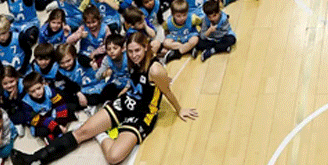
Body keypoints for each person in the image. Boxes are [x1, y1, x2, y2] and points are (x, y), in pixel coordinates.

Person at [11, 32, 196, 165]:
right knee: (82, 132)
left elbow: (167, 91)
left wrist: (180, 110)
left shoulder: (155, 69)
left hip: (143, 113)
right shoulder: (131, 61)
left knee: (114, 157)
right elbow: (133, 83)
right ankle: (33, 158)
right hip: (127, 101)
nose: (133, 55)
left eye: (137, 50)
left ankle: (101, 135)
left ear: (146, 47)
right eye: (130, 51)